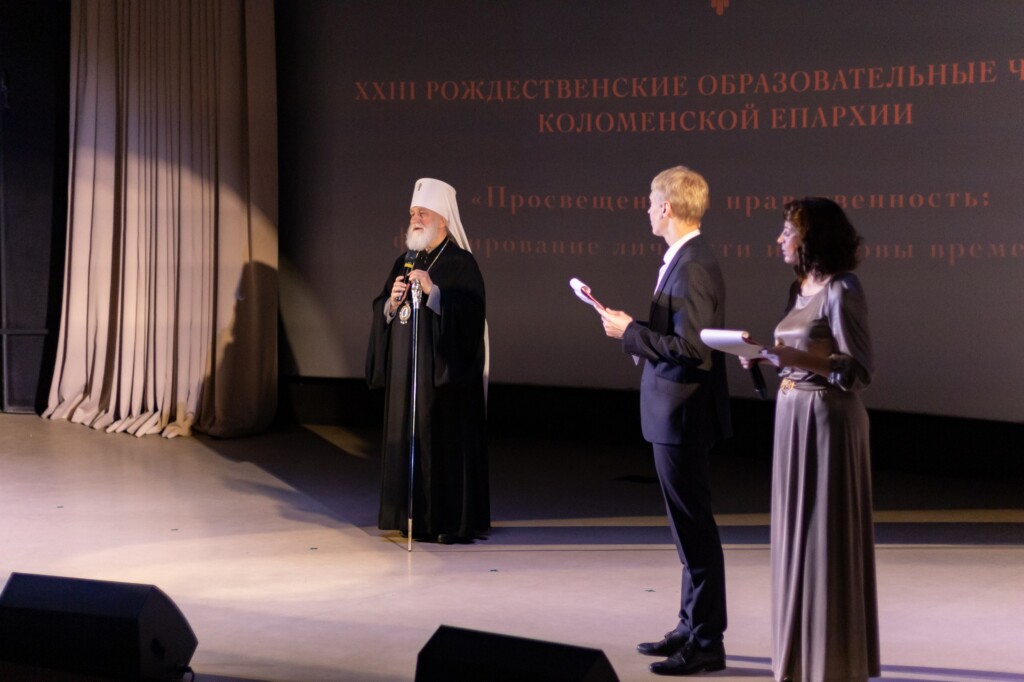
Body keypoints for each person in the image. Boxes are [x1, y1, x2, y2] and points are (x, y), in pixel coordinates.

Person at [599, 166, 732, 676]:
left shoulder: (692, 265)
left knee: (694, 529)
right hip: (675, 412)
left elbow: (692, 349)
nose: (647, 209)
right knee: (686, 529)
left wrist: (630, 333)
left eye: (651, 201)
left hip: (682, 413)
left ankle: (707, 641)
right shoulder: (684, 258)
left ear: (668, 208)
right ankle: (689, 624)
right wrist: (633, 329)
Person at [743, 197, 880, 682]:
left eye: (787, 231)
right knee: (795, 536)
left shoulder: (843, 289)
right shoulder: (799, 286)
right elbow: (797, 353)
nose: (780, 239)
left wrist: (795, 359)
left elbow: (859, 371)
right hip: (792, 416)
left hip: (827, 421)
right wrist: (764, 355)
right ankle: (800, 657)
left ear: (811, 237)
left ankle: (832, 661)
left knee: (825, 538)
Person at [365, 178, 489, 545]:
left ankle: (446, 521)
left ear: (443, 219)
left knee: (441, 444)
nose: (415, 219)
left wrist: (436, 294)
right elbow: (382, 309)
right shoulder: (404, 261)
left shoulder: (460, 263)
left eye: (423, 213)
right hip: (407, 376)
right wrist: (390, 303)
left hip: (442, 380)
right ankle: (408, 515)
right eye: (412, 213)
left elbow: (471, 317)